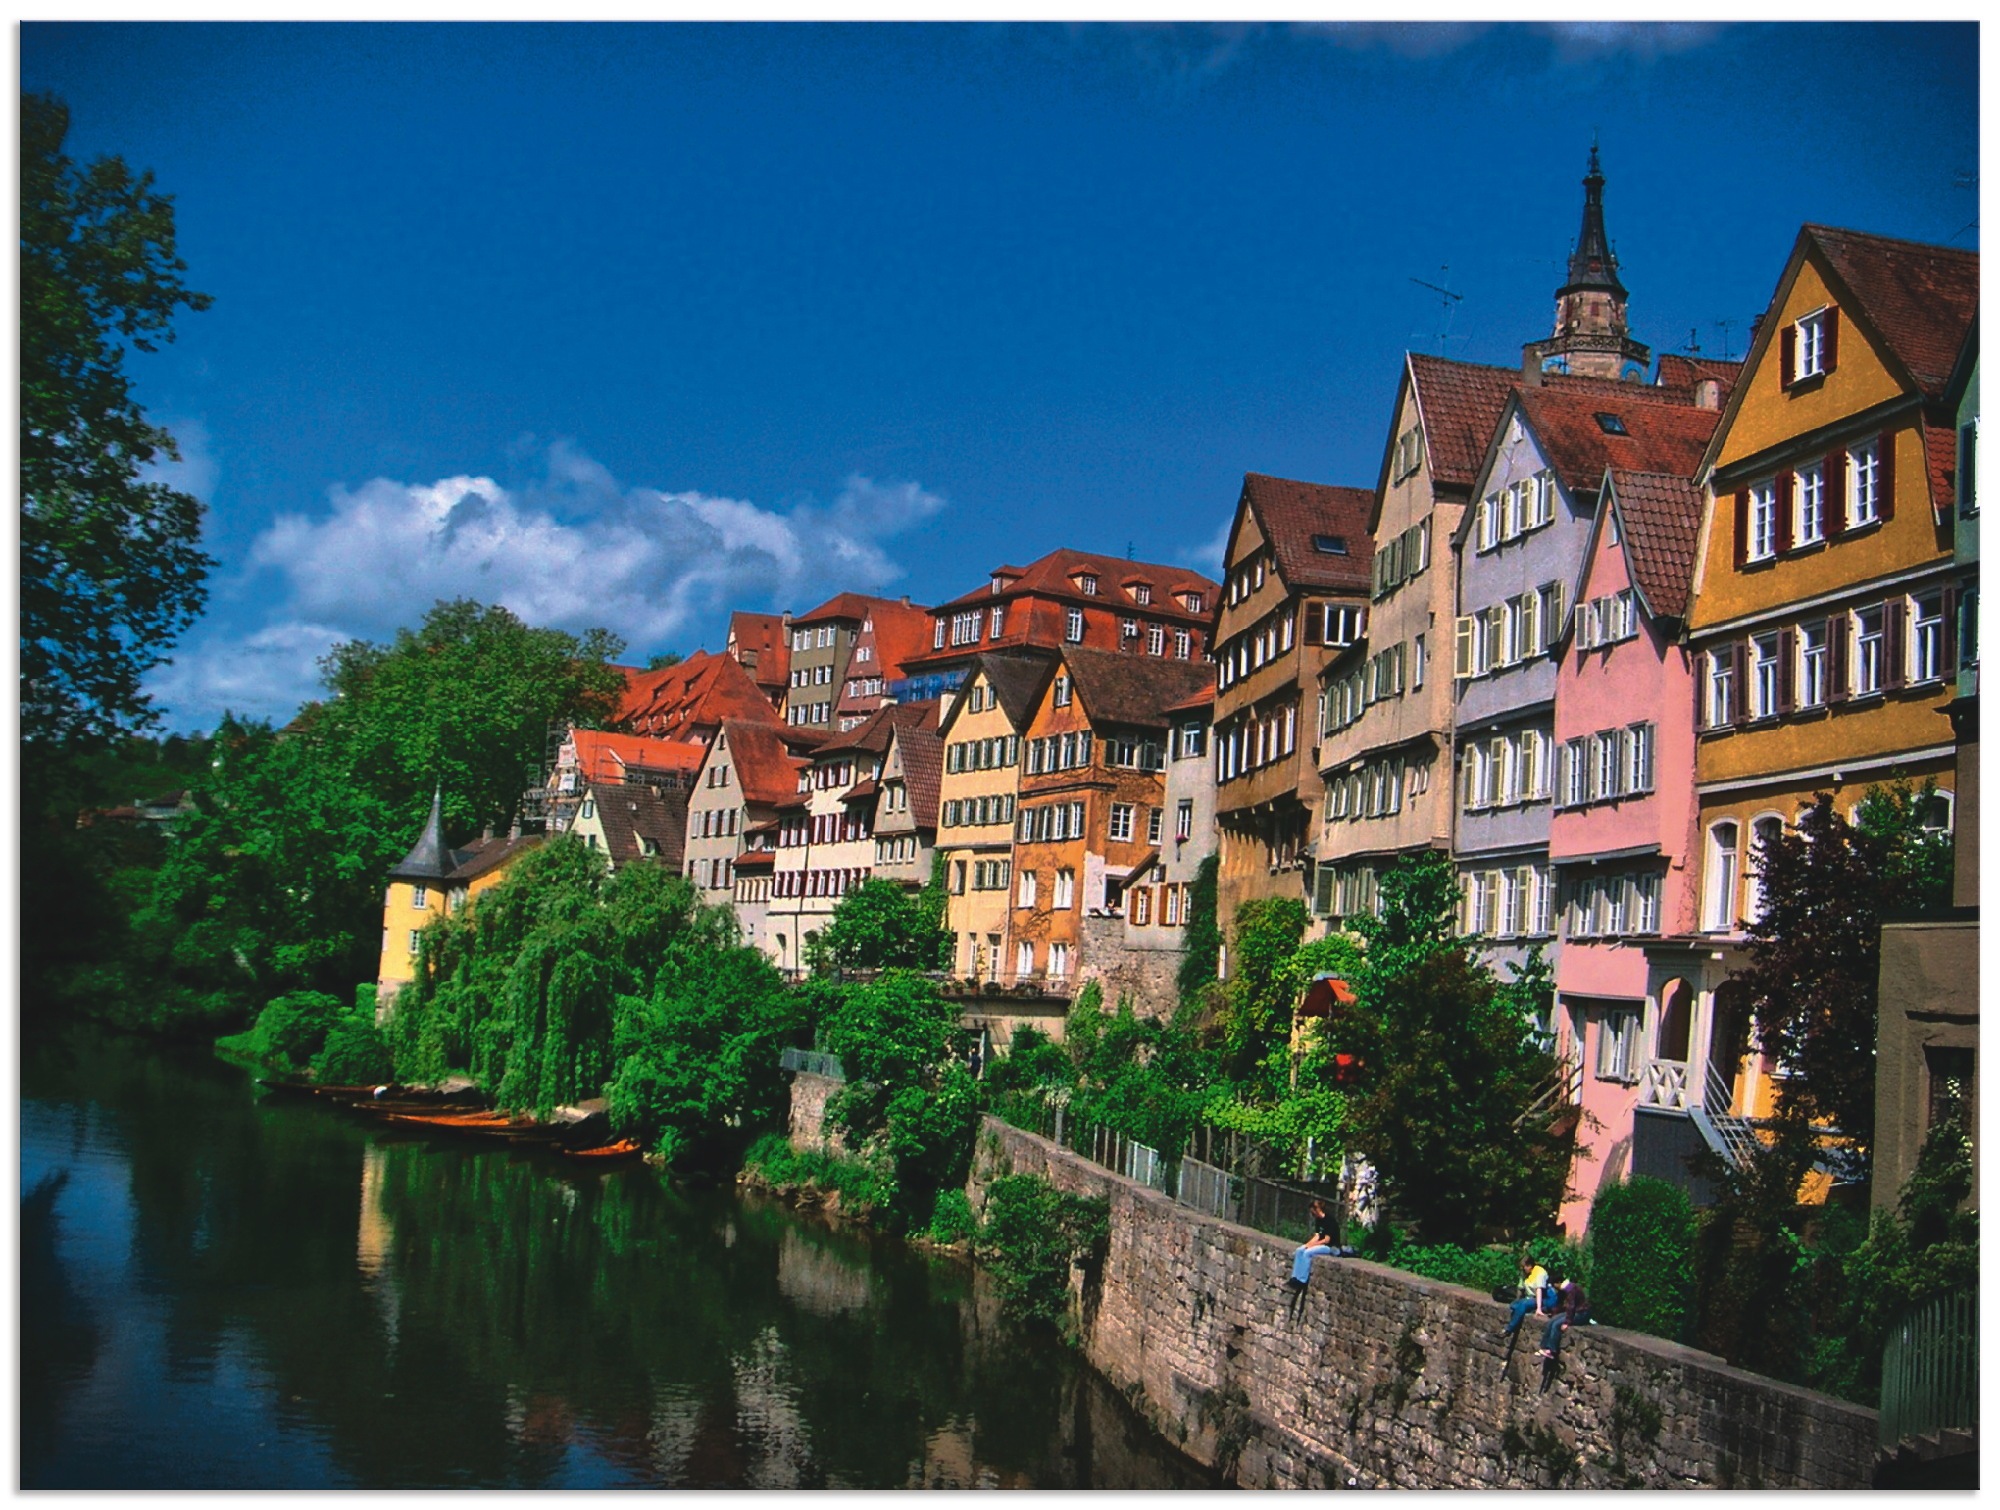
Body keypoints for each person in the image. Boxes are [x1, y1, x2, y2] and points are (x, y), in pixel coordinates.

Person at [1288, 1199, 1340, 1286]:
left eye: (1313, 1212)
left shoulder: (1330, 1220)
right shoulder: (1318, 1221)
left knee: (1308, 1253)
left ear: (1318, 1210)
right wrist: (1307, 1244)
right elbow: (1317, 1236)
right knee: (1300, 1250)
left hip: (1329, 1246)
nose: (1313, 1215)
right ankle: (1295, 1277)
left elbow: (1326, 1240)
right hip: (1321, 1244)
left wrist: (1312, 1246)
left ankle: (1302, 1280)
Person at [1536, 1278, 1590, 1360]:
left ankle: (1551, 1350)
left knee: (1557, 1324)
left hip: (1581, 1313)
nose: (1554, 1288)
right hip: (1573, 1312)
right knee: (1552, 1321)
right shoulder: (1563, 1290)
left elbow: (1570, 1306)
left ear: (1558, 1283)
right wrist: (1553, 1314)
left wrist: (1567, 1322)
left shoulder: (1570, 1289)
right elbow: (1560, 1305)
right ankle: (1544, 1347)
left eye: (1554, 1285)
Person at [1502, 1256, 1554, 1340]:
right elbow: (1520, 1288)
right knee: (1514, 1305)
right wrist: (1517, 1300)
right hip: (1531, 1297)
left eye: (1524, 1267)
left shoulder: (1539, 1273)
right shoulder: (1525, 1274)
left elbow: (1539, 1290)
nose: (1522, 1269)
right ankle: (1526, 1311)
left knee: (1523, 1305)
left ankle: (1509, 1329)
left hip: (1544, 1298)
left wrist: (1539, 1308)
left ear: (1529, 1266)